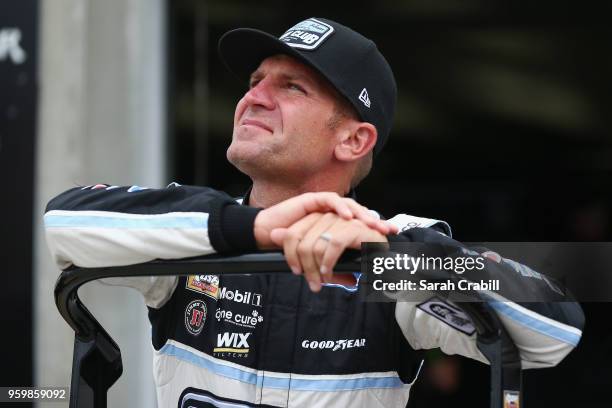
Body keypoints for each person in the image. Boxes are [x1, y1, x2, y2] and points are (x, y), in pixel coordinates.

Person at [44, 17, 584, 408]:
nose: (253, 97)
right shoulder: (201, 232)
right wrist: (254, 230)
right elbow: (62, 221)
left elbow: (556, 330)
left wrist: (377, 253)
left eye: (291, 87)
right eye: (255, 81)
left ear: (353, 140)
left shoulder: (394, 246)